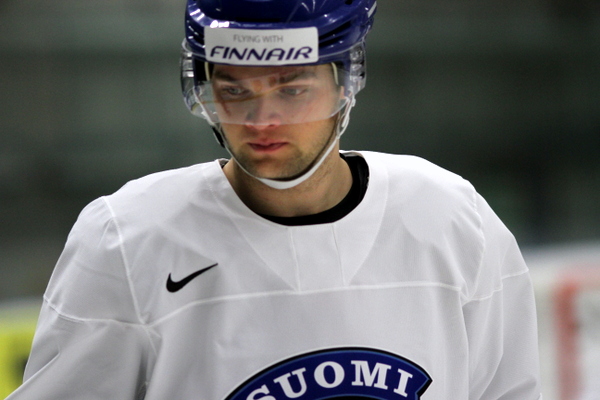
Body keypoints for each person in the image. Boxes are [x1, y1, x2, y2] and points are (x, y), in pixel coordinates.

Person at [8, 0, 543, 399]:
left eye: (292, 89)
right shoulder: (128, 240)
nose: (263, 120)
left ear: (346, 81)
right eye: (235, 90)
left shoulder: (452, 222)